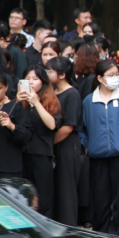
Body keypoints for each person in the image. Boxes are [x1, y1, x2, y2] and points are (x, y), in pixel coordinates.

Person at [79, 60, 119, 236]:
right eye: (111, 75)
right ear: (100, 78)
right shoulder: (88, 101)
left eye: (117, 74)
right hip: (98, 159)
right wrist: (86, 146)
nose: (115, 78)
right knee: (100, 200)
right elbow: (81, 129)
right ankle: (102, 237)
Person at [17, 65, 61, 218]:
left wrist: (36, 103)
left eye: (35, 79)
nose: (31, 82)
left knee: (44, 198)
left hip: (42, 153)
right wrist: (17, 100)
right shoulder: (19, 101)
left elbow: (52, 125)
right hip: (21, 153)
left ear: (43, 81)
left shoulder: (50, 100)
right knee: (23, 197)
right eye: (28, 78)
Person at [46, 56, 84, 227]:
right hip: (55, 145)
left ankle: (69, 229)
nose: (47, 73)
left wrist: (49, 142)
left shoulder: (72, 94)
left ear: (61, 75)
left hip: (68, 145)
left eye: (50, 70)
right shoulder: (52, 92)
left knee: (67, 190)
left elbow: (69, 127)